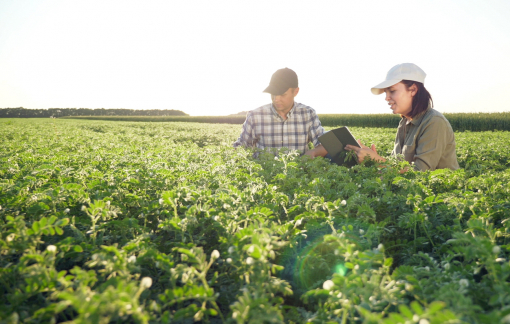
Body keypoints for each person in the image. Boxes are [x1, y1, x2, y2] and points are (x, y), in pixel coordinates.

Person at [345, 63, 459, 171]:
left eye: (392, 91)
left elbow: (421, 174)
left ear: (413, 90)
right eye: (386, 92)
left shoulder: (434, 122)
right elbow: (397, 167)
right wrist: (370, 160)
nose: (387, 98)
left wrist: (377, 160)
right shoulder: (404, 123)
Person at [233, 68, 328, 158]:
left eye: (282, 94)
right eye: (273, 93)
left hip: (297, 173)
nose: (276, 99)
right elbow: (241, 147)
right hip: (264, 174)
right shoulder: (255, 116)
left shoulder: (308, 114)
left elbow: (325, 145)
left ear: (295, 92)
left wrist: (313, 152)